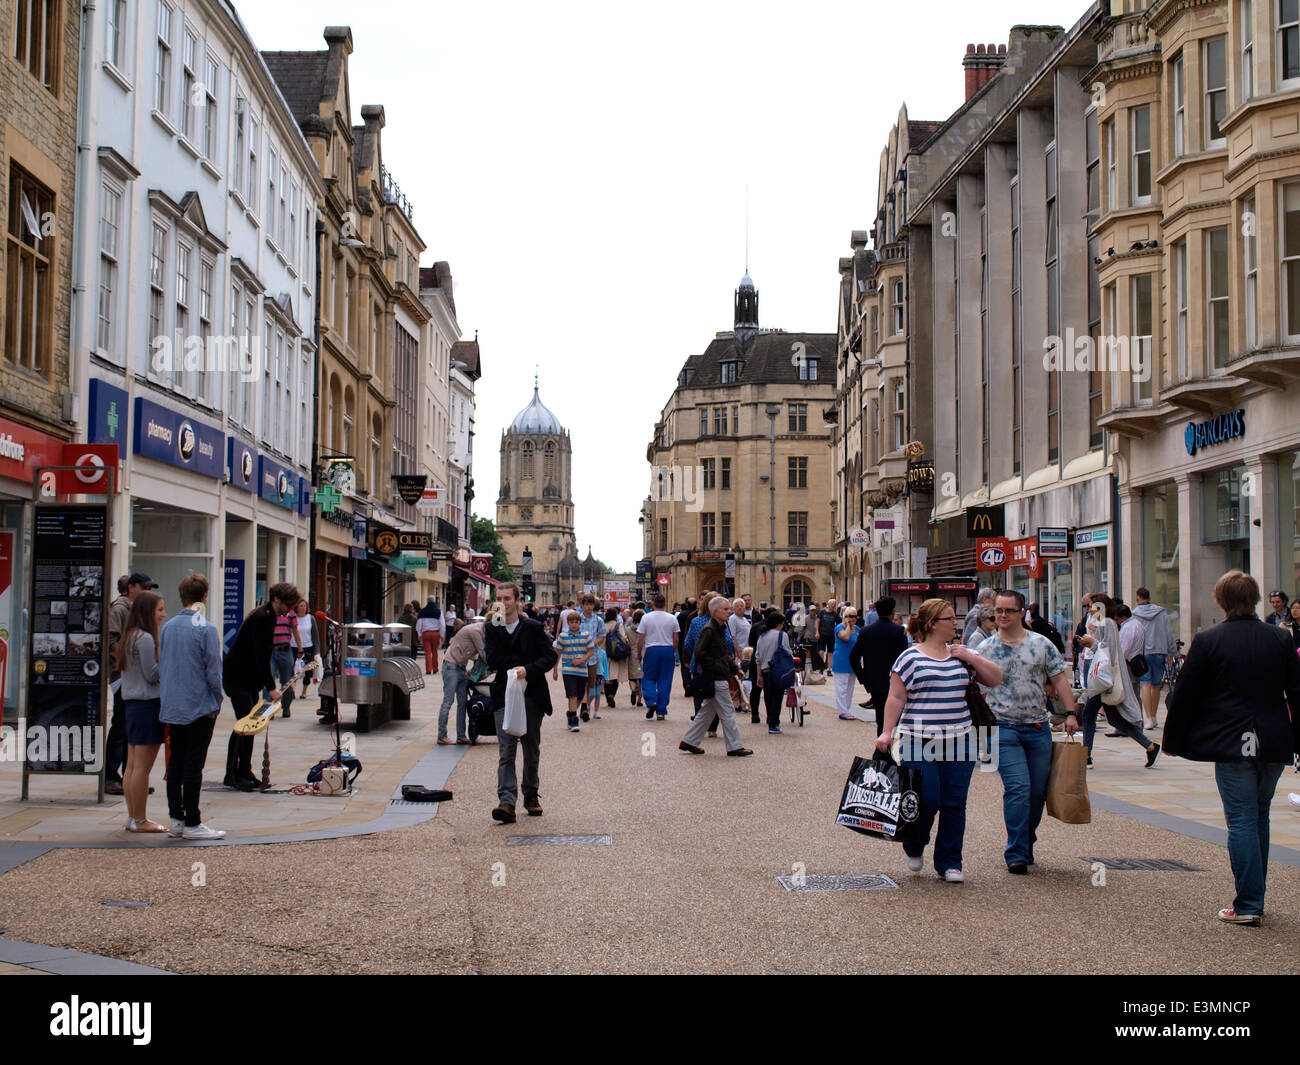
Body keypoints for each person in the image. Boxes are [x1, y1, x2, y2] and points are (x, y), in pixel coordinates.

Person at [1165, 570, 1300, 925]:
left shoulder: (1209, 640)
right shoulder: (1280, 639)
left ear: (1221, 601)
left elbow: (1185, 697)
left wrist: (1172, 741)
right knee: (1259, 816)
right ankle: (1255, 895)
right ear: (1256, 599)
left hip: (1232, 739)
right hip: (1272, 737)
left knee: (1241, 819)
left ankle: (1249, 903)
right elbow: (1296, 693)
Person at [876, 598, 1002, 882]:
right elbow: (896, 697)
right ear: (933, 624)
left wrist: (971, 657)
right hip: (918, 738)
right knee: (926, 799)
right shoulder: (909, 657)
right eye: (949, 619)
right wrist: (887, 731)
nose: (955, 622)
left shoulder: (962, 653)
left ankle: (950, 862)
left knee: (955, 803)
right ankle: (915, 843)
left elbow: (995, 679)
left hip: (959, 739)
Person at [973, 589, 1078, 874]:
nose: (1002, 616)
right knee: (1018, 788)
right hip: (1002, 727)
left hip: (1037, 726)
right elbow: (975, 693)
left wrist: (1070, 713)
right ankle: (1017, 851)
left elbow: (1059, 680)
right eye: (998, 611)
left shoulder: (1041, 645)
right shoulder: (985, 650)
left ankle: (1025, 838)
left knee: (1037, 793)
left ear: (1022, 613)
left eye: (1008, 611)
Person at [158, 574, 226, 840]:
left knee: (175, 761)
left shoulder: (169, 626)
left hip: (174, 703)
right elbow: (213, 669)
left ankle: (176, 817)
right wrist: (217, 698)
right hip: (198, 704)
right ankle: (193, 821)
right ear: (204, 597)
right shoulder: (206, 628)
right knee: (193, 763)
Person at [484, 582, 557, 823]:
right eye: (499, 599)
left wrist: (528, 668)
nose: (502, 603)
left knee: (531, 748)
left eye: (507, 599)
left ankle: (531, 794)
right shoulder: (492, 627)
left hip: (531, 694)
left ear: (517, 601)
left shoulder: (533, 628)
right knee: (506, 751)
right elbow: (492, 658)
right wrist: (519, 662)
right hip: (504, 694)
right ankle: (506, 801)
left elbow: (549, 656)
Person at [223, 583, 297, 790]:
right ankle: (232, 774)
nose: (290, 609)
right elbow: (261, 655)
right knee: (243, 726)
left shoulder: (268, 616)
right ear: (277, 599)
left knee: (250, 725)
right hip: (238, 678)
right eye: (288, 604)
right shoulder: (262, 618)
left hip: (246, 678)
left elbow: (262, 654)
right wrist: (271, 686)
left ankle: (244, 770)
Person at [1084, 599, 1160, 768]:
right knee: (1114, 719)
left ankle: (1086, 756)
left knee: (1088, 715)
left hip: (1105, 679)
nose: (1088, 609)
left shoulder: (1108, 623)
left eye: (1090, 606)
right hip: (1103, 678)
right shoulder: (1102, 623)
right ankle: (1150, 746)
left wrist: (1092, 643)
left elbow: (1107, 650)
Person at [678, 596, 753, 757]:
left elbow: (723, 654)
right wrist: (718, 667)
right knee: (727, 712)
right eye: (726, 609)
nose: (729, 612)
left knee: (706, 712)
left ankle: (689, 741)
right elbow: (699, 652)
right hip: (715, 677)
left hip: (718, 674)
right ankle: (734, 746)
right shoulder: (710, 629)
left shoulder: (719, 627)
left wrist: (733, 668)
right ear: (716, 611)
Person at [118, 591, 167, 831]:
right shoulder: (145, 638)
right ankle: (140, 819)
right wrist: (168, 662)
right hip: (148, 705)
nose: (163, 614)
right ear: (148, 612)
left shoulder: (130, 636)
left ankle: (132, 817)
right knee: (142, 768)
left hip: (133, 705)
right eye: (160, 609)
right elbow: (153, 674)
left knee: (131, 765)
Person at [105, 572, 156, 794]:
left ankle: (130, 775)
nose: (148, 592)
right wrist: (128, 661)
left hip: (130, 675)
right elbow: (111, 641)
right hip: (121, 676)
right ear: (131, 587)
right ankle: (110, 775)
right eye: (144, 587)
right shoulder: (120, 608)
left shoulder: (135, 609)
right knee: (121, 725)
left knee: (129, 728)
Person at [849, 596, 909, 733]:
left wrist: (863, 678)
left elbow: (853, 657)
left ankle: (882, 749)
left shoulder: (865, 631)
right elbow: (905, 659)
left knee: (881, 719)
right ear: (892, 612)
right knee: (896, 720)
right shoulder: (898, 631)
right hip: (895, 682)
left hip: (874, 682)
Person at [1132, 587, 1175, 731]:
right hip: (1159, 651)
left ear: (1138, 599)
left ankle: (1148, 717)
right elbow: (1168, 633)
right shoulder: (1161, 612)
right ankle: (1154, 717)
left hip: (1142, 652)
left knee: (1145, 684)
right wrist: (1171, 652)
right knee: (1156, 685)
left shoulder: (1134, 614)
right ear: (1149, 598)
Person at [440, 615, 485, 745]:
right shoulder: (476, 631)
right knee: (448, 701)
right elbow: (483, 654)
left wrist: (472, 673)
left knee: (463, 703)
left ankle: (461, 735)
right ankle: (442, 735)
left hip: (461, 667)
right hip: (451, 666)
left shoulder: (480, 632)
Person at [637, 595, 679, 720]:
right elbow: (676, 638)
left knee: (649, 678)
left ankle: (651, 701)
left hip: (652, 649)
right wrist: (673, 651)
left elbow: (640, 639)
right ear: (665, 604)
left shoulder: (646, 618)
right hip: (667, 648)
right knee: (665, 680)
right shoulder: (672, 618)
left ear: (653, 604)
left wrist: (639, 653)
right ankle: (661, 710)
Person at [552, 610, 595, 732]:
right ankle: (574, 720)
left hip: (582, 670)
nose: (574, 624)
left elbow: (590, 651)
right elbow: (558, 653)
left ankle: (570, 713)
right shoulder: (563, 636)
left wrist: (582, 660)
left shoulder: (586, 635)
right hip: (568, 670)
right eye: (571, 622)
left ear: (580, 623)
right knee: (572, 695)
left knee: (580, 696)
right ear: (568, 623)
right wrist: (555, 669)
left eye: (576, 622)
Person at [754, 610, 793, 734]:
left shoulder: (762, 636)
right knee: (778, 696)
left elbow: (758, 657)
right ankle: (774, 722)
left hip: (765, 670)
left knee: (768, 696)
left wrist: (759, 675)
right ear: (779, 624)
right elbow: (787, 653)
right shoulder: (782, 635)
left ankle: (770, 718)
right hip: (778, 670)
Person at [267, 598, 301, 720]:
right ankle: (268, 709)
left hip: (285, 650)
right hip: (270, 651)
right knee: (268, 678)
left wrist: (300, 648)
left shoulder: (290, 613)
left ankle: (286, 707)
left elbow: (295, 631)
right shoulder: (269, 612)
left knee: (287, 681)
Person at [575, 595, 606, 720]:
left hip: (593, 656)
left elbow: (602, 636)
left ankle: (586, 706)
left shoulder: (598, 620)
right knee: (581, 682)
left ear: (593, 606)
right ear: (582, 605)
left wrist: (592, 643)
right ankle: (583, 707)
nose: (588, 607)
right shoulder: (578, 619)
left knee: (589, 684)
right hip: (579, 654)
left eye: (590, 604)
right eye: (586, 604)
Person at [832, 607, 860, 720]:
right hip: (841, 661)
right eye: (850, 616)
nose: (853, 619)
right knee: (841, 688)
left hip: (853, 662)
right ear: (845, 616)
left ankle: (847, 710)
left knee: (850, 688)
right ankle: (842, 711)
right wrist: (848, 625)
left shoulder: (858, 629)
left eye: (855, 616)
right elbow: (846, 637)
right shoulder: (839, 627)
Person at [604, 607, 633, 708]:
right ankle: (612, 695)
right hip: (616, 655)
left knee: (607, 678)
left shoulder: (604, 626)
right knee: (615, 678)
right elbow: (623, 638)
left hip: (606, 655)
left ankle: (608, 697)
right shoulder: (618, 625)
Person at [295, 600, 321, 697]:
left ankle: (304, 691)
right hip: (295, 646)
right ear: (296, 607)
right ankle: (293, 688)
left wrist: (316, 651)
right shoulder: (293, 618)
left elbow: (315, 635)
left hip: (308, 647)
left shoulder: (311, 618)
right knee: (294, 670)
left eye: (304, 606)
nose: (303, 608)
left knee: (307, 671)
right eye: (301, 606)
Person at [416, 598, 443, 674]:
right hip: (435, 633)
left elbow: (419, 624)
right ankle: (435, 668)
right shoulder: (438, 611)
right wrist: (442, 634)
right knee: (435, 652)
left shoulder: (422, 611)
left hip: (426, 633)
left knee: (427, 652)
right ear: (434, 601)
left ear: (427, 601)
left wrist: (419, 634)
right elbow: (442, 624)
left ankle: (428, 669)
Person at [625, 608, 644, 706]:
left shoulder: (628, 629)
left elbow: (625, 641)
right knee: (641, 678)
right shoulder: (645, 629)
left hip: (632, 654)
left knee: (632, 677)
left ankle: (633, 690)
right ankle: (639, 700)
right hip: (643, 653)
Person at [818, 599, 839, 669]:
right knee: (821, 651)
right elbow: (817, 622)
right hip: (822, 634)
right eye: (832, 604)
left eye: (834, 604)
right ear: (828, 604)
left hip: (831, 635)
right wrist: (817, 632)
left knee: (830, 652)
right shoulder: (822, 612)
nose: (833, 606)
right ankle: (821, 666)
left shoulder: (835, 614)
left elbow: (838, 624)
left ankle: (829, 668)